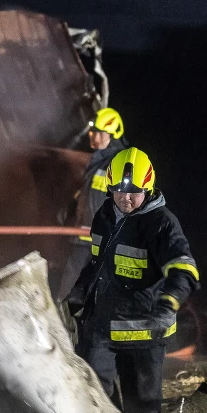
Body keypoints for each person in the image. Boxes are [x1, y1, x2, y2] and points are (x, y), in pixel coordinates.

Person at [66, 147, 200, 413]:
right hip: (101, 327)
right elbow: (97, 262)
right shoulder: (105, 214)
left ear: (148, 188)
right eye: (118, 190)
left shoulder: (162, 224)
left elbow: (184, 269)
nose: (125, 198)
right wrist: (79, 294)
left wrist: (168, 305)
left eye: (134, 192)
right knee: (91, 394)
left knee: (142, 410)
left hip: (144, 333)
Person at [56, 107, 129, 300]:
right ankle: (63, 325)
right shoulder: (96, 162)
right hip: (83, 237)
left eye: (99, 132)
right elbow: (88, 196)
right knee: (69, 289)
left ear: (112, 135)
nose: (93, 136)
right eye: (92, 131)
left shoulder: (122, 164)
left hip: (106, 241)